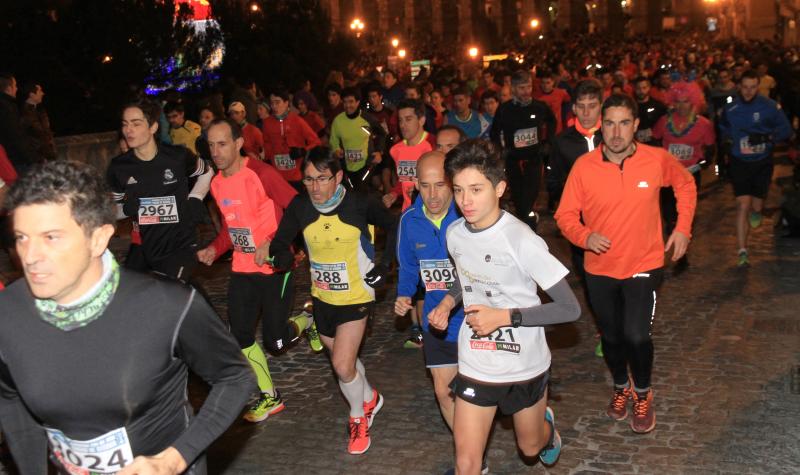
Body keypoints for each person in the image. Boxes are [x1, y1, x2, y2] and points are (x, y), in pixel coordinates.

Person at [0, 160, 255, 475]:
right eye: (22, 237)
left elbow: (235, 377)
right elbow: (9, 397)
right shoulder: (8, 313)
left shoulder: (166, 305)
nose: (30, 256)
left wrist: (174, 459)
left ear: (98, 238)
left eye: (51, 237)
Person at [428, 139, 580, 474]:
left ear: (499, 188)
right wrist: (448, 302)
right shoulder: (454, 233)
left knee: (530, 447)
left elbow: (570, 309)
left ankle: (546, 430)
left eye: (476, 189)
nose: (465, 201)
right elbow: (467, 276)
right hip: (477, 360)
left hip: (524, 363)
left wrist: (504, 317)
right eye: (459, 190)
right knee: (466, 463)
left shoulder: (521, 239)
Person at [555, 94, 697, 434]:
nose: (616, 132)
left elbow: (685, 184)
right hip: (600, 268)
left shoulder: (655, 159)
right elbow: (564, 215)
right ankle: (621, 386)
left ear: (635, 125)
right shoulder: (584, 167)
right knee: (612, 336)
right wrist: (585, 236)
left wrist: (682, 229)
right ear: (600, 126)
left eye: (623, 124)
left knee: (636, 335)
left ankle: (643, 394)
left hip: (644, 264)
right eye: (609, 124)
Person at [269, 147, 397, 454]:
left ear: (338, 177)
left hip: (357, 295)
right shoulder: (301, 206)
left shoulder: (360, 203)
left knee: (341, 364)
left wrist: (385, 266)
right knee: (346, 360)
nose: (315, 187)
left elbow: (396, 225)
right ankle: (370, 397)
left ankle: (358, 417)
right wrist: (282, 255)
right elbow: (280, 241)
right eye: (309, 179)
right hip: (323, 297)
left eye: (322, 178)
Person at [196, 119, 321, 423]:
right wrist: (215, 248)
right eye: (211, 145)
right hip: (242, 268)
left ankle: (308, 319)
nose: (216, 151)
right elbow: (231, 228)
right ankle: (270, 396)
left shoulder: (261, 174)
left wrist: (273, 242)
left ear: (238, 143)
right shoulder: (217, 183)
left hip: (276, 268)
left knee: (276, 342)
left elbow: (297, 209)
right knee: (239, 336)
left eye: (222, 144)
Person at [394, 151, 463, 434]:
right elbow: (409, 266)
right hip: (437, 321)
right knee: (444, 391)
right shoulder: (409, 220)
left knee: (488, 393)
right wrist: (404, 294)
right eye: (425, 186)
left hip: (476, 319)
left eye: (440, 185)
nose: (432, 195)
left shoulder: (467, 215)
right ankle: (468, 453)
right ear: (416, 184)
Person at [108, 98, 213, 282]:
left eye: (136, 124)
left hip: (182, 243)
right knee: (171, 294)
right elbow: (113, 210)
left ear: (153, 127)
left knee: (174, 287)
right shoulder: (119, 167)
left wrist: (195, 198)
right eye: (125, 124)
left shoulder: (177, 156)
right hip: (149, 246)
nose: (128, 130)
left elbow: (207, 172)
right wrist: (126, 209)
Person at [719, 69, 792, 266]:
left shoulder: (770, 106)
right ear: (739, 87)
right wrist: (726, 141)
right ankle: (742, 251)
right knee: (742, 204)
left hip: (762, 162)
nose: (748, 91)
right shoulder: (731, 108)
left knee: (756, 205)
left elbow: (786, 130)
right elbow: (723, 128)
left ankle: (758, 212)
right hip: (739, 161)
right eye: (745, 87)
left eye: (752, 87)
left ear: (758, 87)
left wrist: (767, 137)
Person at [652, 81, 715, 271]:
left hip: (690, 176)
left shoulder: (704, 124)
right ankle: (675, 241)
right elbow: (655, 142)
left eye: (686, 101)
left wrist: (702, 163)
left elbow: (710, 150)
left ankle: (682, 252)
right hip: (667, 176)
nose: (681, 105)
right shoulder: (664, 122)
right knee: (669, 215)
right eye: (678, 101)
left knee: (685, 214)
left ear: (693, 102)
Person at [489, 70, 556, 230]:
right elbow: (494, 132)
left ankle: (530, 228)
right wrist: (501, 150)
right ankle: (528, 224)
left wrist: (547, 142)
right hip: (513, 161)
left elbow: (552, 121)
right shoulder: (505, 109)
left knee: (529, 198)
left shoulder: (539, 107)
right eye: (522, 88)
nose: (526, 91)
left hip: (534, 159)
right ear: (513, 88)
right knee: (519, 201)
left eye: (529, 87)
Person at [328, 87, 388, 189]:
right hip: (347, 165)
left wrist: (379, 151)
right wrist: (336, 150)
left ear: (358, 102)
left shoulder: (368, 119)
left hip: (367, 164)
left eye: (351, 102)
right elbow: (333, 141)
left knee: (361, 188)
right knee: (352, 190)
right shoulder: (338, 121)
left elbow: (382, 134)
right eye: (345, 102)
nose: (348, 105)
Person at [262, 88, 321, 188]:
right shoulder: (267, 123)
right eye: (272, 103)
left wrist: (303, 151)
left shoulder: (297, 121)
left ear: (286, 103)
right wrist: (265, 158)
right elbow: (267, 145)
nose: (274, 106)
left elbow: (316, 141)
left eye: (277, 102)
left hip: (297, 176)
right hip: (277, 176)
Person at [0, 72, 36, 173]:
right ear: (8, 88)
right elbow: (16, 136)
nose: (16, 89)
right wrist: (32, 158)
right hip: (18, 161)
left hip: (11, 160)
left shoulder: (6, 105)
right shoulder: (7, 107)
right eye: (15, 86)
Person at [19, 81, 57, 162]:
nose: (43, 93)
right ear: (31, 94)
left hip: (45, 155)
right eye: (40, 91)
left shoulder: (38, 110)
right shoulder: (25, 114)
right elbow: (36, 136)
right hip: (39, 158)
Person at [633, 77, 668, 146]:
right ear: (634, 89)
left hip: (655, 145)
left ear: (649, 88)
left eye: (644, 88)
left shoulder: (659, 106)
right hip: (636, 145)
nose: (641, 91)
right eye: (638, 88)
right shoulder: (630, 107)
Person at [534, 70, 571, 135]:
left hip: (557, 131)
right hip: (542, 131)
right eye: (543, 83)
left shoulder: (561, 93)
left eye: (548, 83)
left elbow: (568, 102)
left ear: (553, 82)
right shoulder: (535, 96)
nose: (545, 86)